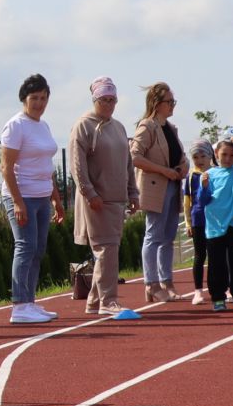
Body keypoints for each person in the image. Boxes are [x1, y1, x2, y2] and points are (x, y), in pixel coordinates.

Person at [70, 77, 142, 319]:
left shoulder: (119, 127)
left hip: (117, 198)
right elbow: (77, 166)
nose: (109, 104)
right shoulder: (83, 126)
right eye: (104, 100)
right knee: (106, 250)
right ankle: (108, 301)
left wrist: (133, 192)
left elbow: (128, 163)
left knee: (108, 250)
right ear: (95, 100)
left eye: (113, 100)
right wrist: (89, 192)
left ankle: (93, 301)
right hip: (96, 200)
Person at [0, 74, 66, 325]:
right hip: (22, 194)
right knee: (25, 247)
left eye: (43, 98)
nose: (39, 103)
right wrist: (17, 202)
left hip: (41, 194)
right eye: (34, 98)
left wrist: (56, 200)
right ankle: (19, 305)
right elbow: (6, 167)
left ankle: (30, 301)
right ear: (24, 99)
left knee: (37, 250)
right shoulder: (16, 125)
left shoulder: (44, 126)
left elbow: (47, 166)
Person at [130, 82, 189, 304]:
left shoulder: (171, 128)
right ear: (157, 103)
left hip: (173, 186)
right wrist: (164, 170)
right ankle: (151, 282)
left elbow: (181, 156)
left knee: (168, 237)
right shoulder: (147, 126)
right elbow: (135, 156)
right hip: (157, 187)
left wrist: (183, 167)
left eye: (174, 101)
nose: (173, 105)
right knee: (153, 235)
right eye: (169, 102)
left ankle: (167, 281)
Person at [199, 138, 233, 310]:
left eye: (232, 155)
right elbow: (203, 200)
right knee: (216, 264)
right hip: (215, 226)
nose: (228, 159)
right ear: (216, 154)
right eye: (224, 155)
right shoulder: (209, 175)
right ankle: (218, 298)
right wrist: (205, 187)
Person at [185, 141, 214, 305]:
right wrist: (188, 223)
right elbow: (187, 201)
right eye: (196, 157)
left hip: (216, 220)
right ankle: (197, 291)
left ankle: (217, 288)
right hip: (198, 220)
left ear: (210, 156)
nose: (200, 160)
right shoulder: (191, 177)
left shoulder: (216, 173)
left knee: (215, 256)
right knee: (199, 255)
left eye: (203, 156)